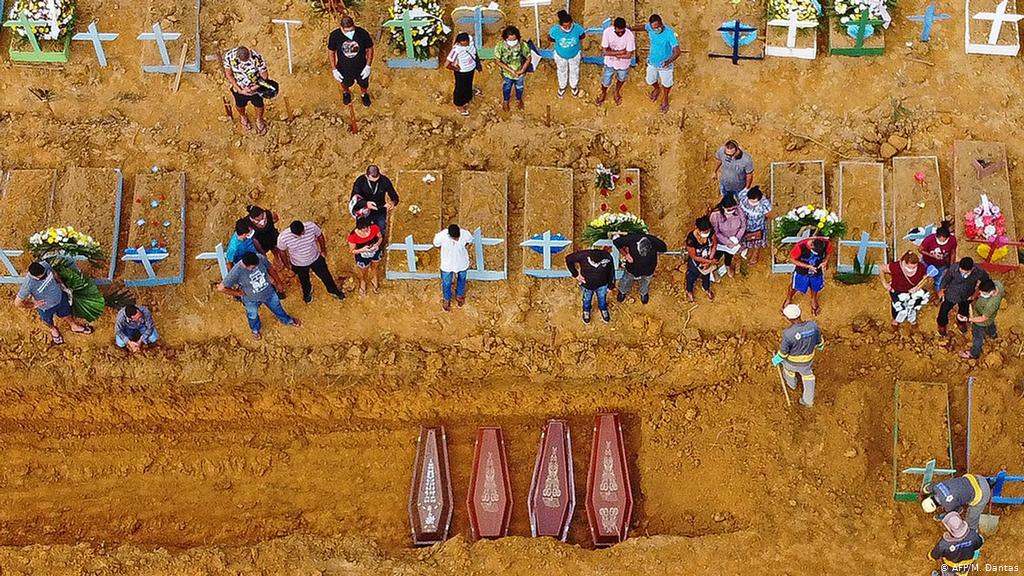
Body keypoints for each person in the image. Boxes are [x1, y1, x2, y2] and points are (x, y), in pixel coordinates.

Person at [218, 252, 299, 340]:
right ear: (246, 265)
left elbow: (270, 269)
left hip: (269, 292)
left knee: (277, 307)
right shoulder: (236, 272)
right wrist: (238, 293)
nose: (256, 268)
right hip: (251, 300)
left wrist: (278, 283)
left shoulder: (260, 258)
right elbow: (221, 288)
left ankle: (287, 320)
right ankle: (255, 330)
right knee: (252, 316)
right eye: (253, 267)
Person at [14, 261, 93, 345]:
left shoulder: (45, 265)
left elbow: (54, 274)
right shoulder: (28, 285)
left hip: (60, 298)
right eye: (42, 277)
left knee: (66, 312)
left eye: (45, 274)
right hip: (46, 307)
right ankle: (53, 329)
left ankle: (73, 326)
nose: (45, 277)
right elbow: (17, 303)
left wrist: (61, 283)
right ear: (35, 277)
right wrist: (33, 305)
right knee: (48, 320)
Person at [276, 220, 346, 303]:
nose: (300, 236)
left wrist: (323, 250)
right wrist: (287, 266)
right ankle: (307, 293)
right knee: (304, 280)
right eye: (297, 235)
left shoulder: (311, 226)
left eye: (302, 233)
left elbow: (320, 236)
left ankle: (333, 291)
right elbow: (282, 252)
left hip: (315, 258)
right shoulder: (283, 237)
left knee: (326, 276)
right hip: (299, 264)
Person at [772, 304, 824, 408]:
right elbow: (819, 342)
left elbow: (783, 353)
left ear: (788, 318)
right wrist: (820, 347)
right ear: (800, 313)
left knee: (788, 371)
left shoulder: (788, 333)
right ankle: (808, 401)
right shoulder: (813, 325)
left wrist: (776, 359)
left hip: (792, 363)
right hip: (807, 362)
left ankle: (792, 385)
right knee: (808, 377)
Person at [921, 473, 994, 531]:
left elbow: (959, 510)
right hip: (977, 478)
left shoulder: (948, 506)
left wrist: (941, 517)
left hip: (983, 494)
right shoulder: (936, 486)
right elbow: (927, 488)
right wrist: (925, 490)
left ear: (936, 507)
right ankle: (989, 483)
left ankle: (972, 533)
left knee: (971, 518)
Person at [223, 46, 271, 135]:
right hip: (239, 88)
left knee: (259, 105)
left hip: (256, 88)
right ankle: (243, 117)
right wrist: (239, 89)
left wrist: (253, 88)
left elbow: (264, 76)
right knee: (240, 105)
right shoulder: (229, 56)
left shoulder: (256, 57)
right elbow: (229, 74)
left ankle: (259, 120)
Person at [328, 15, 374, 107]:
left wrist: (368, 66)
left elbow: (370, 48)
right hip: (344, 68)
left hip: (361, 66)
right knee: (345, 83)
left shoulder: (362, 33)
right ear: (341, 28)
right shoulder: (335, 35)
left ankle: (364, 94)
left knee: (363, 83)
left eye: (351, 30)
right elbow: (331, 52)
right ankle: (346, 92)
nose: (349, 32)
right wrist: (334, 69)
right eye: (347, 31)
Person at [937, 257, 988, 336]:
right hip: (952, 294)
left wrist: (976, 293)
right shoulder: (953, 269)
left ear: (972, 269)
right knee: (944, 310)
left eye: (966, 272)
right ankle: (941, 324)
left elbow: (985, 281)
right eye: (961, 270)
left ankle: (961, 322)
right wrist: (941, 290)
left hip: (967, 295)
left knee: (964, 311)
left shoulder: (979, 272)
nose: (963, 273)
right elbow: (945, 279)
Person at [640, 14, 681, 113]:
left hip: (665, 66)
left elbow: (677, 52)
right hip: (652, 63)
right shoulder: (650, 27)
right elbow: (643, 27)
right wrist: (630, 28)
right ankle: (657, 89)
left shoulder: (669, 34)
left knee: (667, 84)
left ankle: (665, 98)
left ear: (661, 23)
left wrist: (668, 61)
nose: (655, 29)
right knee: (650, 80)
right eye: (653, 28)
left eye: (657, 27)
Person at [613, 232, 667, 304]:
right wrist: (626, 254)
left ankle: (643, 293)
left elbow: (664, 248)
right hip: (632, 268)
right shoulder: (632, 239)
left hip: (648, 269)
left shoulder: (654, 241)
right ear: (638, 243)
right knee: (626, 280)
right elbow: (616, 242)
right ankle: (622, 291)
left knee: (646, 281)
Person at [565, 247, 615, 324]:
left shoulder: (607, 256)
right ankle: (586, 310)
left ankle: (603, 308)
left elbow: (612, 271)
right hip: (587, 285)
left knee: (602, 298)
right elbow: (568, 259)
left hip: (602, 285)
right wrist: (575, 274)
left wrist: (611, 285)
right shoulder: (583, 255)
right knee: (587, 299)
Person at [351, 165, 400, 241]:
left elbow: (394, 196)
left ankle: (379, 244)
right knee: (365, 231)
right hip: (364, 212)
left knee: (381, 228)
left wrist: (392, 203)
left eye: (377, 179)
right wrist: (366, 203)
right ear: (366, 176)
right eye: (372, 180)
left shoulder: (384, 180)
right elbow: (354, 199)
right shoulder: (360, 182)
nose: (375, 181)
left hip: (379, 210)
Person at [785, 237, 831, 315]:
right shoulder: (800, 246)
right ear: (811, 246)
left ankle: (813, 299)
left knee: (815, 286)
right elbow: (792, 259)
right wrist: (808, 266)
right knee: (795, 286)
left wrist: (825, 261)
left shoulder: (826, 243)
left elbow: (828, 253)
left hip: (817, 269)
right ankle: (789, 298)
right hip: (801, 271)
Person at [927, 512, 984, 576]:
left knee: (947, 573)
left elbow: (935, 555)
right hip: (967, 564)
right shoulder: (973, 535)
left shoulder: (944, 543)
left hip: (950, 566)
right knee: (963, 573)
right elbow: (979, 544)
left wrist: (930, 556)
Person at [881, 251, 928, 328]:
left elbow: (925, 278)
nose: (912, 269)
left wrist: (917, 287)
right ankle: (896, 320)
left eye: (914, 267)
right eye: (909, 267)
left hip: (913, 292)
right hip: (897, 290)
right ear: (904, 262)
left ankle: (912, 319)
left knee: (913, 305)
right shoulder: (895, 267)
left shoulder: (921, 267)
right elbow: (882, 268)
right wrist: (884, 283)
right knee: (897, 307)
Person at [433, 224, 473, 311]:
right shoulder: (442, 236)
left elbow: (469, 241)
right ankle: (447, 299)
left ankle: (459, 295)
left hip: (461, 263)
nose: (457, 239)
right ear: (449, 235)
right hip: (447, 264)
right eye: (455, 238)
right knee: (446, 283)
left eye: (458, 237)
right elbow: (436, 244)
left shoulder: (465, 234)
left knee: (462, 279)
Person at [961, 277, 1003, 359]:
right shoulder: (997, 284)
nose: (980, 294)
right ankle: (993, 335)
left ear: (992, 292)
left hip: (981, 321)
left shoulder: (991, 305)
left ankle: (974, 353)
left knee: (977, 338)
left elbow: (983, 318)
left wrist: (968, 319)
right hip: (991, 317)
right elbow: (981, 289)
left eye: (983, 293)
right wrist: (974, 296)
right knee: (991, 325)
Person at [596, 18, 635, 106]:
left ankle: (616, 92)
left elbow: (629, 55)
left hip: (623, 65)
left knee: (621, 79)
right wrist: (621, 52)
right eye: (618, 32)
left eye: (622, 31)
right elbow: (605, 52)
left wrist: (612, 53)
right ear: (614, 28)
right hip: (610, 63)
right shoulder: (607, 32)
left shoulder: (629, 35)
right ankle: (603, 93)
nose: (620, 34)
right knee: (606, 80)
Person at [548, 10, 585, 98]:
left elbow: (582, 36)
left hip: (574, 55)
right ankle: (562, 86)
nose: (568, 28)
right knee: (561, 70)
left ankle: (573, 86)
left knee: (574, 70)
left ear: (572, 22)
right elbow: (550, 38)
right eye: (565, 26)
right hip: (560, 56)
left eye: (569, 26)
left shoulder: (577, 28)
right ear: (560, 25)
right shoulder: (555, 30)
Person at [709, 195, 747, 278]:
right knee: (717, 255)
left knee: (729, 255)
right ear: (723, 207)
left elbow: (743, 225)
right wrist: (727, 242)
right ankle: (713, 268)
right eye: (729, 210)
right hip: (720, 242)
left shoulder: (739, 210)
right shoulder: (715, 215)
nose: (732, 211)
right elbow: (716, 232)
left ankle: (727, 265)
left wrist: (737, 238)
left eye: (733, 209)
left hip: (735, 241)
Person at [494, 26, 531, 111]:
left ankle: (518, 99)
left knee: (520, 87)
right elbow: (497, 61)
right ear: (505, 39)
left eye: (514, 40)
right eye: (510, 40)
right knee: (507, 87)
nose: (512, 42)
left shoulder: (522, 45)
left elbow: (528, 57)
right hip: (507, 73)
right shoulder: (500, 46)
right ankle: (506, 101)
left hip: (520, 72)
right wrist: (511, 71)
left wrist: (522, 70)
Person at [684, 216, 718, 302]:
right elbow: (693, 256)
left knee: (706, 275)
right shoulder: (691, 239)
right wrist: (709, 261)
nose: (706, 233)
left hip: (707, 259)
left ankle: (706, 288)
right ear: (697, 228)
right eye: (704, 231)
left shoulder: (710, 232)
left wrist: (709, 260)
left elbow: (714, 244)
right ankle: (689, 291)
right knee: (691, 276)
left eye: (707, 231)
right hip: (695, 262)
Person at [347, 217, 384, 295]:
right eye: (362, 230)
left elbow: (380, 238)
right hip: (362, 256)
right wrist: (363, 249)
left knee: (375, 266)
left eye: (367, 228)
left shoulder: (374, 228)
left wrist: (377, 244)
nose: (365, 231)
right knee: (364, 270)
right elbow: (352, 251)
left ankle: (374, 277)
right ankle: (363, 281)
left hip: (375, 252)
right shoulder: (352, 236)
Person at [737, 186, 772, 266]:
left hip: (758, 226)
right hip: (744, 224)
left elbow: (769, 215)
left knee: (758, 240)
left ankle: (755, 255)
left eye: (755, 202)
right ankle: (744, 247)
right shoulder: (743, 195)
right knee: (744, 237)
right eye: (751, 201)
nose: (752, 204)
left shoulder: (764, 204)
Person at [920, 220, 957, 292]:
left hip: (942, 265)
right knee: (922, 278)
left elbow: (953, 252)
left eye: (944, 240)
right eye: (940, 240)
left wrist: (951, 265)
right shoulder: (929, 239)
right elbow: (920, 250)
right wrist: (932, 256)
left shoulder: (952, 240)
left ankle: (936, 294)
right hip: (927, 262)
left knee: (939, 282)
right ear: (937, 236)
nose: (942, 242)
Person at [446, 32, 478, 116]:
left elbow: (459, 32)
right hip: (462, 72)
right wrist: (455, 68)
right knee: (460, 88)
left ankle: (468, 95)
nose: (465, 45)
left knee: (468, 83)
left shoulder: (470, 39)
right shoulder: (456, 49)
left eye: (466, 43)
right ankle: (459, 105)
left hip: (471, 68)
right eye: (463, 44)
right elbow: (446, 64)